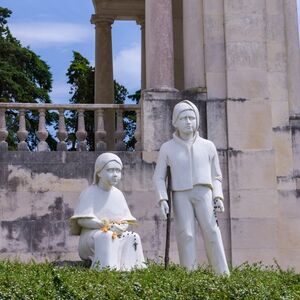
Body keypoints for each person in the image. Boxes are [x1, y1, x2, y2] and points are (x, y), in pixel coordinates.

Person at [153, 100, 229, 275]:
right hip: (180, 195)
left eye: (192, 118)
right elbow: (158, 177)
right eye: (184, 118)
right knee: (186, 234)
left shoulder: (208, 146)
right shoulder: (167, 148)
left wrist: (218, 196)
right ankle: (190, 275)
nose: (188, 122)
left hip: (204, 192)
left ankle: (222, 274)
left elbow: (216, 176)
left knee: (212, 231)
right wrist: (162, 198)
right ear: (175, 122)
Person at [70, 153, 146, 271]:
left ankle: (134, 271)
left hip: (114, 233)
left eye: (118, 171)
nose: (115, 175)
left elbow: (125, 219)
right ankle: (106, 272)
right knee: (107, 236)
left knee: (133, 237)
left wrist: (122, 227)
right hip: (91, 237)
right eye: (110, 170)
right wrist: (103, 225)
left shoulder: (118, 194)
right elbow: (82, 220)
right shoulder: (89, 193)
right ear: (99, 172)